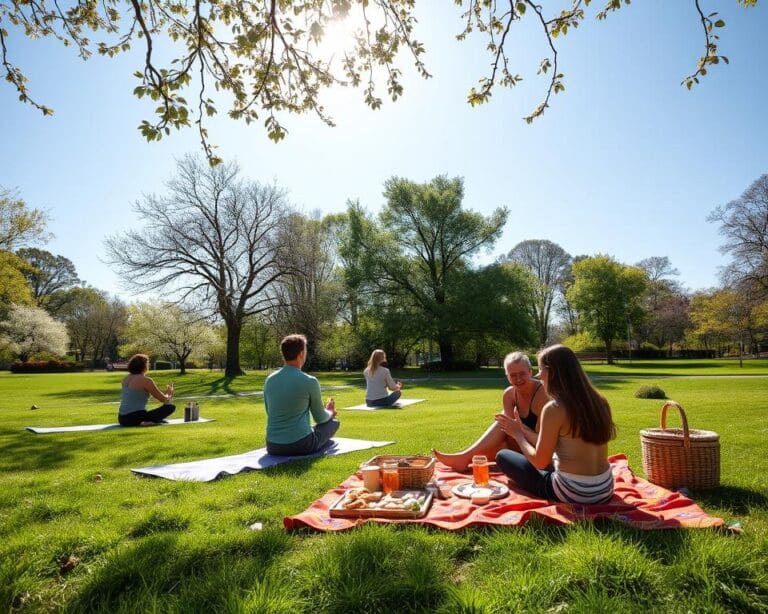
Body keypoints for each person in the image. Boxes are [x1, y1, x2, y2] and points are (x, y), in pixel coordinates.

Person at [494, 344, 616, 504]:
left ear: (552, 372)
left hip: (574, 492)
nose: (538, 375)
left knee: (503, 456)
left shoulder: (554, 409)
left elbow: (540, 462)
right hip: (605, 488)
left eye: (540, 369)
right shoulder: (600, 401)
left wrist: (518, 434)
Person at [432, 351, 546, 471]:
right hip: (516, 443)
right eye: (513, 375)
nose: (518, 379)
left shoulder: (543, 394)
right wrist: (513, 429)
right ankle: (464, 457)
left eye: (522, 374)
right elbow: (508, 431)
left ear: (530, 372)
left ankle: (464, 457)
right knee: (501, 432)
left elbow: (546, 442)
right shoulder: (509, 394)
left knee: (502, 425)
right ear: (507, 376)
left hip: (538, 450)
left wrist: (519, 428)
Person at [264, 333, 340, 455]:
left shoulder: (270, 379)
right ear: (301, 354)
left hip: (273, 446)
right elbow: (320, 418)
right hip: (301, 445)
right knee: (334, 422)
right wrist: (330, 411)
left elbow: (270, 412)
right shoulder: (310, 381)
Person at [118, 354, 176, 426]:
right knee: (170, 407)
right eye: (148, 363)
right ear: (144, 365)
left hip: (122, 419)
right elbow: (163, 399)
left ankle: (145, 421)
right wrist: (169, 393)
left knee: (145, 412)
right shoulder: (146, 380)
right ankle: (143, 422)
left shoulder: (126, 379)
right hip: (135, 417)